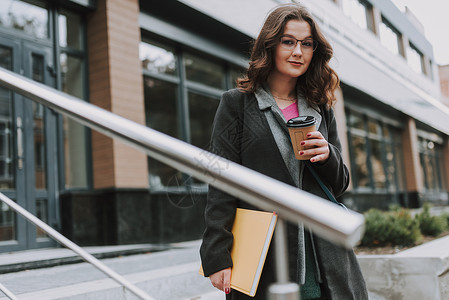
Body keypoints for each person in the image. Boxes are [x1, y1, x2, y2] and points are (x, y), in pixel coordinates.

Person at [200, 3, 368, 300]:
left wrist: (327, 155)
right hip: (269, 249)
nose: (298, 52)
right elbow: (221, 180)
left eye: (307, 44)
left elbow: (340, 183)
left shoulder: (320, 107)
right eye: (288, 41)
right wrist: (217, 254)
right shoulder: (237, 104)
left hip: (323, 252)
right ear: (270, 45)